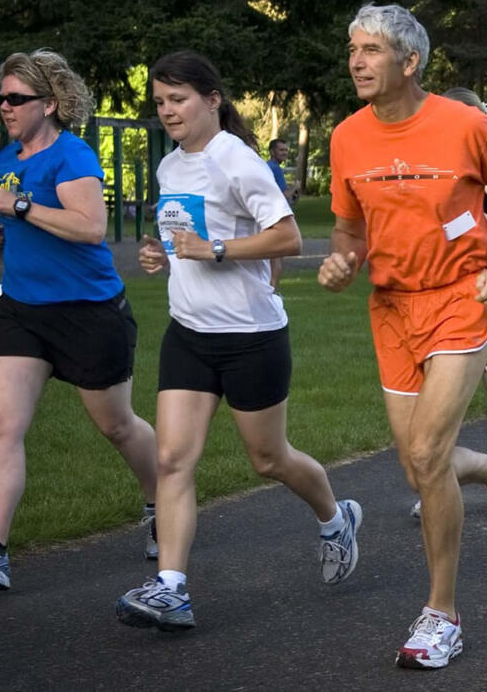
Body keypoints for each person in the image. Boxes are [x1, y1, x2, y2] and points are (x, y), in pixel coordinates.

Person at [319, 4, 487, 669]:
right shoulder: (347, 138)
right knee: (418, 463)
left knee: (426, 448)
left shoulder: (464, 123)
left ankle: (442, 613)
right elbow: (348, 229)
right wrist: (340, 259)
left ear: (409, 61)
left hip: (463, 295)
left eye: (372, 50)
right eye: (353, 48)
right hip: (392, 307)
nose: (357, 61)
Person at [116, 50, 361, 632]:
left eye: (178, 100)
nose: (168, 111)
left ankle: (335, 518)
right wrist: (162, 251)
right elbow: (184, 240)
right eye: (159, 103)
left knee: (268, 459)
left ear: (211, 100)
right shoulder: (170, 167)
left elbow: (290, 237)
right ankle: (172, 588)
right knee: (173, 459)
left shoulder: (238, 161)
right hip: (189, 333)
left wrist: (217, 251)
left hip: (251, 335)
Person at [0, 49, 158, 591]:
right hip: (20, 311)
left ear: (49, 104)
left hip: (87, 312)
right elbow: (19, 224)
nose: (4, 107)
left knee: (117, 424)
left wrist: (21, 210)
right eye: (0, 98)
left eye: (15, 98)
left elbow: (88, 228)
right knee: (0, 425)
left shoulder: (73, 156)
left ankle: (162, 502)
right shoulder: (7, 160)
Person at [405, 87, 487, 517]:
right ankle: (436, 479)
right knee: (433, 404)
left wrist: (468, 211)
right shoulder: (432, 167)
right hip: (438, 295)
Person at [266, 139, 298, 292]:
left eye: (286, 150)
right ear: (272, 151)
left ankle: (271, 289)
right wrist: (295, 187)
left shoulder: (268, 167)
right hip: (276, 217)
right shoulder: (275, 169)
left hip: (269, 216)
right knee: (277, 256)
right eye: (281, 150)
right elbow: (282, 195)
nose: (284, 153)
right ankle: (274, 291)